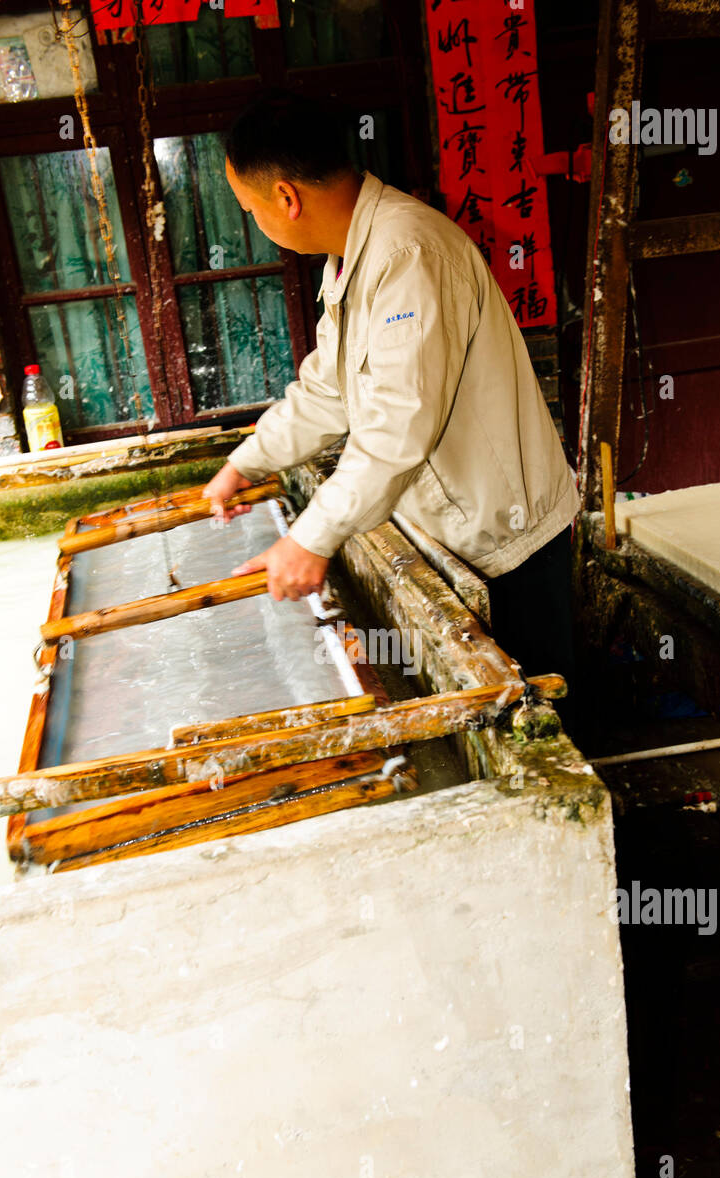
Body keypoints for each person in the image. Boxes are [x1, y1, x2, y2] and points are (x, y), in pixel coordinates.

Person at [203, 89, 579, 716]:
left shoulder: (408, 253)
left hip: (505, 540)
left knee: (541, 721)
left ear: (286, 198)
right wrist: (247, 462)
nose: (256, 223)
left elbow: (397, 425)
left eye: (250, 208)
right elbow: (330, 388)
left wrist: (310, 538)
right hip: (456, 528)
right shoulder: (354, 255)